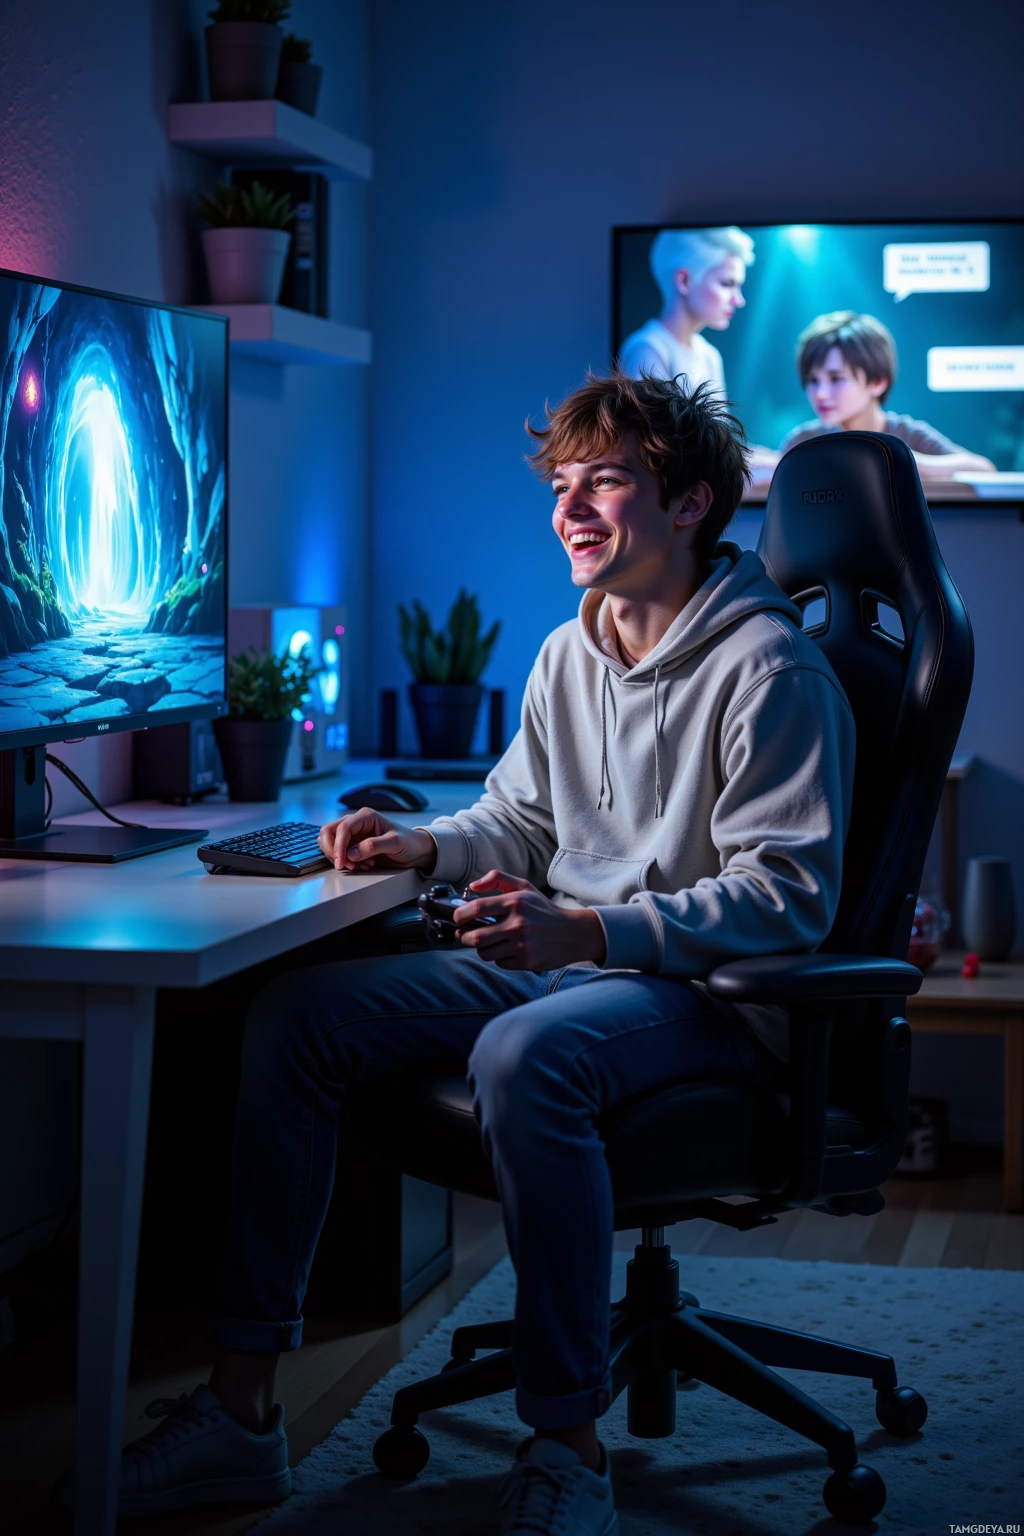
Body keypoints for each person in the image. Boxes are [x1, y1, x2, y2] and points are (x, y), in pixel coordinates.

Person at [86, 372, 856, 1536]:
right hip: (572, 965)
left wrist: (592, 929)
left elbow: (784, 897)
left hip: (702, 998)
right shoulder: (569, 653)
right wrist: (425, 844)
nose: (572, 508)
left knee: (522, 1055)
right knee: (299, 1019)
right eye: (561, 484)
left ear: (692, 502)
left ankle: (565, 1449)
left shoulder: (772, 671)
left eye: (606, 481)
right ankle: (241, 1417)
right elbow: (522, 823)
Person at [777, 310, 996, 482]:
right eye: (813, 381)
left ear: (878, 381)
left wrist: (899, 461)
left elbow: (983, 470)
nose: (821, 394)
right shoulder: (803, 441)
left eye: (836, 379)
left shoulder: (908, 435)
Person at [618, 226, 755, 397]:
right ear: (684, 281)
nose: (738, 300)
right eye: (726, 284)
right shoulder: (647, 349)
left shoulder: (710, 356)